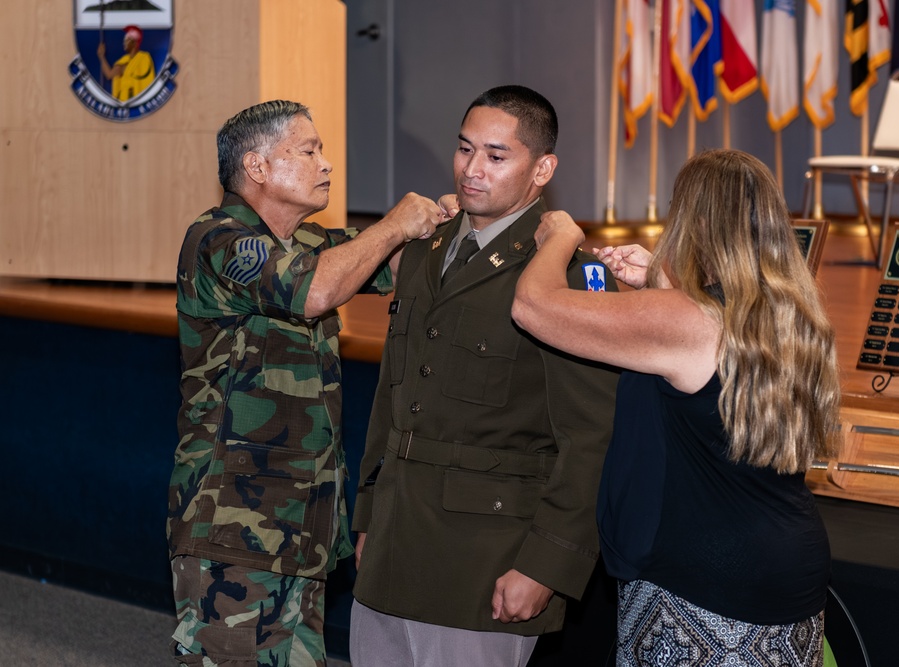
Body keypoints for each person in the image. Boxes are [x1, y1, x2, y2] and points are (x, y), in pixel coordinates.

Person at [512, 148, 841, 666]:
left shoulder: (690, 320)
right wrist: (662, 284)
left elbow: (533, 306)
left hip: (703, 586)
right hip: (788, 576)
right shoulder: (792, 313)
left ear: (696, 221)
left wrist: (560, 237)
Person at [166, 99, 453, 666]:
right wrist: (395, 223)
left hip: (302, 529)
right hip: (233, 530)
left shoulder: (307, 244)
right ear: (257, 166)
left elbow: (398, 263)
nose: (326, 163)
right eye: (308, 150)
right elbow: (314, 291)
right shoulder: (219, 239)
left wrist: (449, 222)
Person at [349, 85, 619, 667]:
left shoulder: (569, 275)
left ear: (542, 169)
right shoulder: (423, 249)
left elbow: (591, 437)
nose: (472, 170)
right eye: (465, 149)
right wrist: (368, 514)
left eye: (496, 156)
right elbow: (391, 398)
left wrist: (546, 565)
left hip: (487, 558)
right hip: (394, 539)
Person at [97, 25, 155, 101]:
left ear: (135, 43)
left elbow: (144, 77)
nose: (124, 42)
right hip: (123, 100)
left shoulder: (144, 57)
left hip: (137, 99)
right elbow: (109, 75)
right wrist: (102, 57)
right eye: (124, 40)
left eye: (127, 40)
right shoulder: (123, 60)